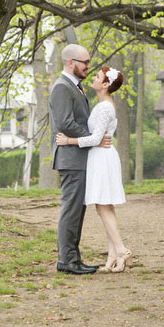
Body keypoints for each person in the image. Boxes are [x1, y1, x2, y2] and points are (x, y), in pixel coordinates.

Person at [56, 65, 131, 273]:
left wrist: (68, 140)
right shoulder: (102, 105)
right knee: (104, 206)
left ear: (105, 85)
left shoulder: (105, 107)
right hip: (99, 156)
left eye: (98, 76)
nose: (94, 77)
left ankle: (121, 250)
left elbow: (96, 138)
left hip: (102, 158)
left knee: (102, 206)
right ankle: (112, 258)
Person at [49, 44, 111, 275]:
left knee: (77, 210)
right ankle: (66, 260)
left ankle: (74, 258)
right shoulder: (62, 88)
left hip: (78, 158)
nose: (88, 66)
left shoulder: (75, 86)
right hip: (70, 159)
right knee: (71, 210)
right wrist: (93, 138)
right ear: (70, 62)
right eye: (85, 62)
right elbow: (65, 123)